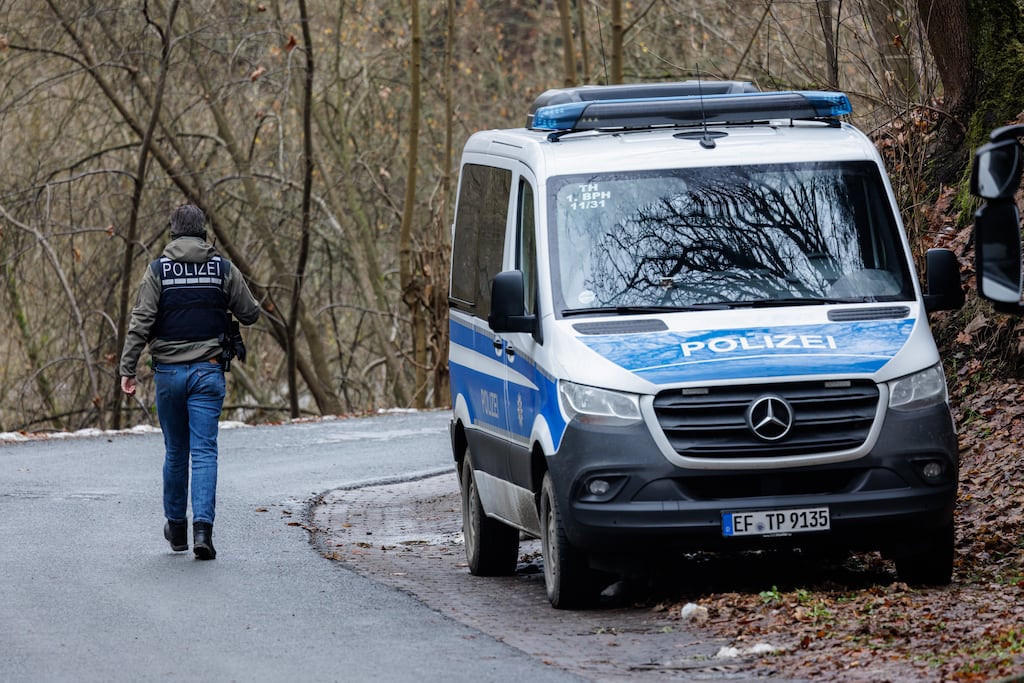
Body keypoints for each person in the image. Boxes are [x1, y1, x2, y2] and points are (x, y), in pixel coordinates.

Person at [119, 204, 260, 560]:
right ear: (203, 232)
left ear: (173, 233)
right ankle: (203, 531)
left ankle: (176, 529)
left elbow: (141, 322)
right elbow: (251, 313)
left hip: (167, 374)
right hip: (208, 371)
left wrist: (128, 368)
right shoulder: (222, 269)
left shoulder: (158, 272)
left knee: (176, 451)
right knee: (204, 452)